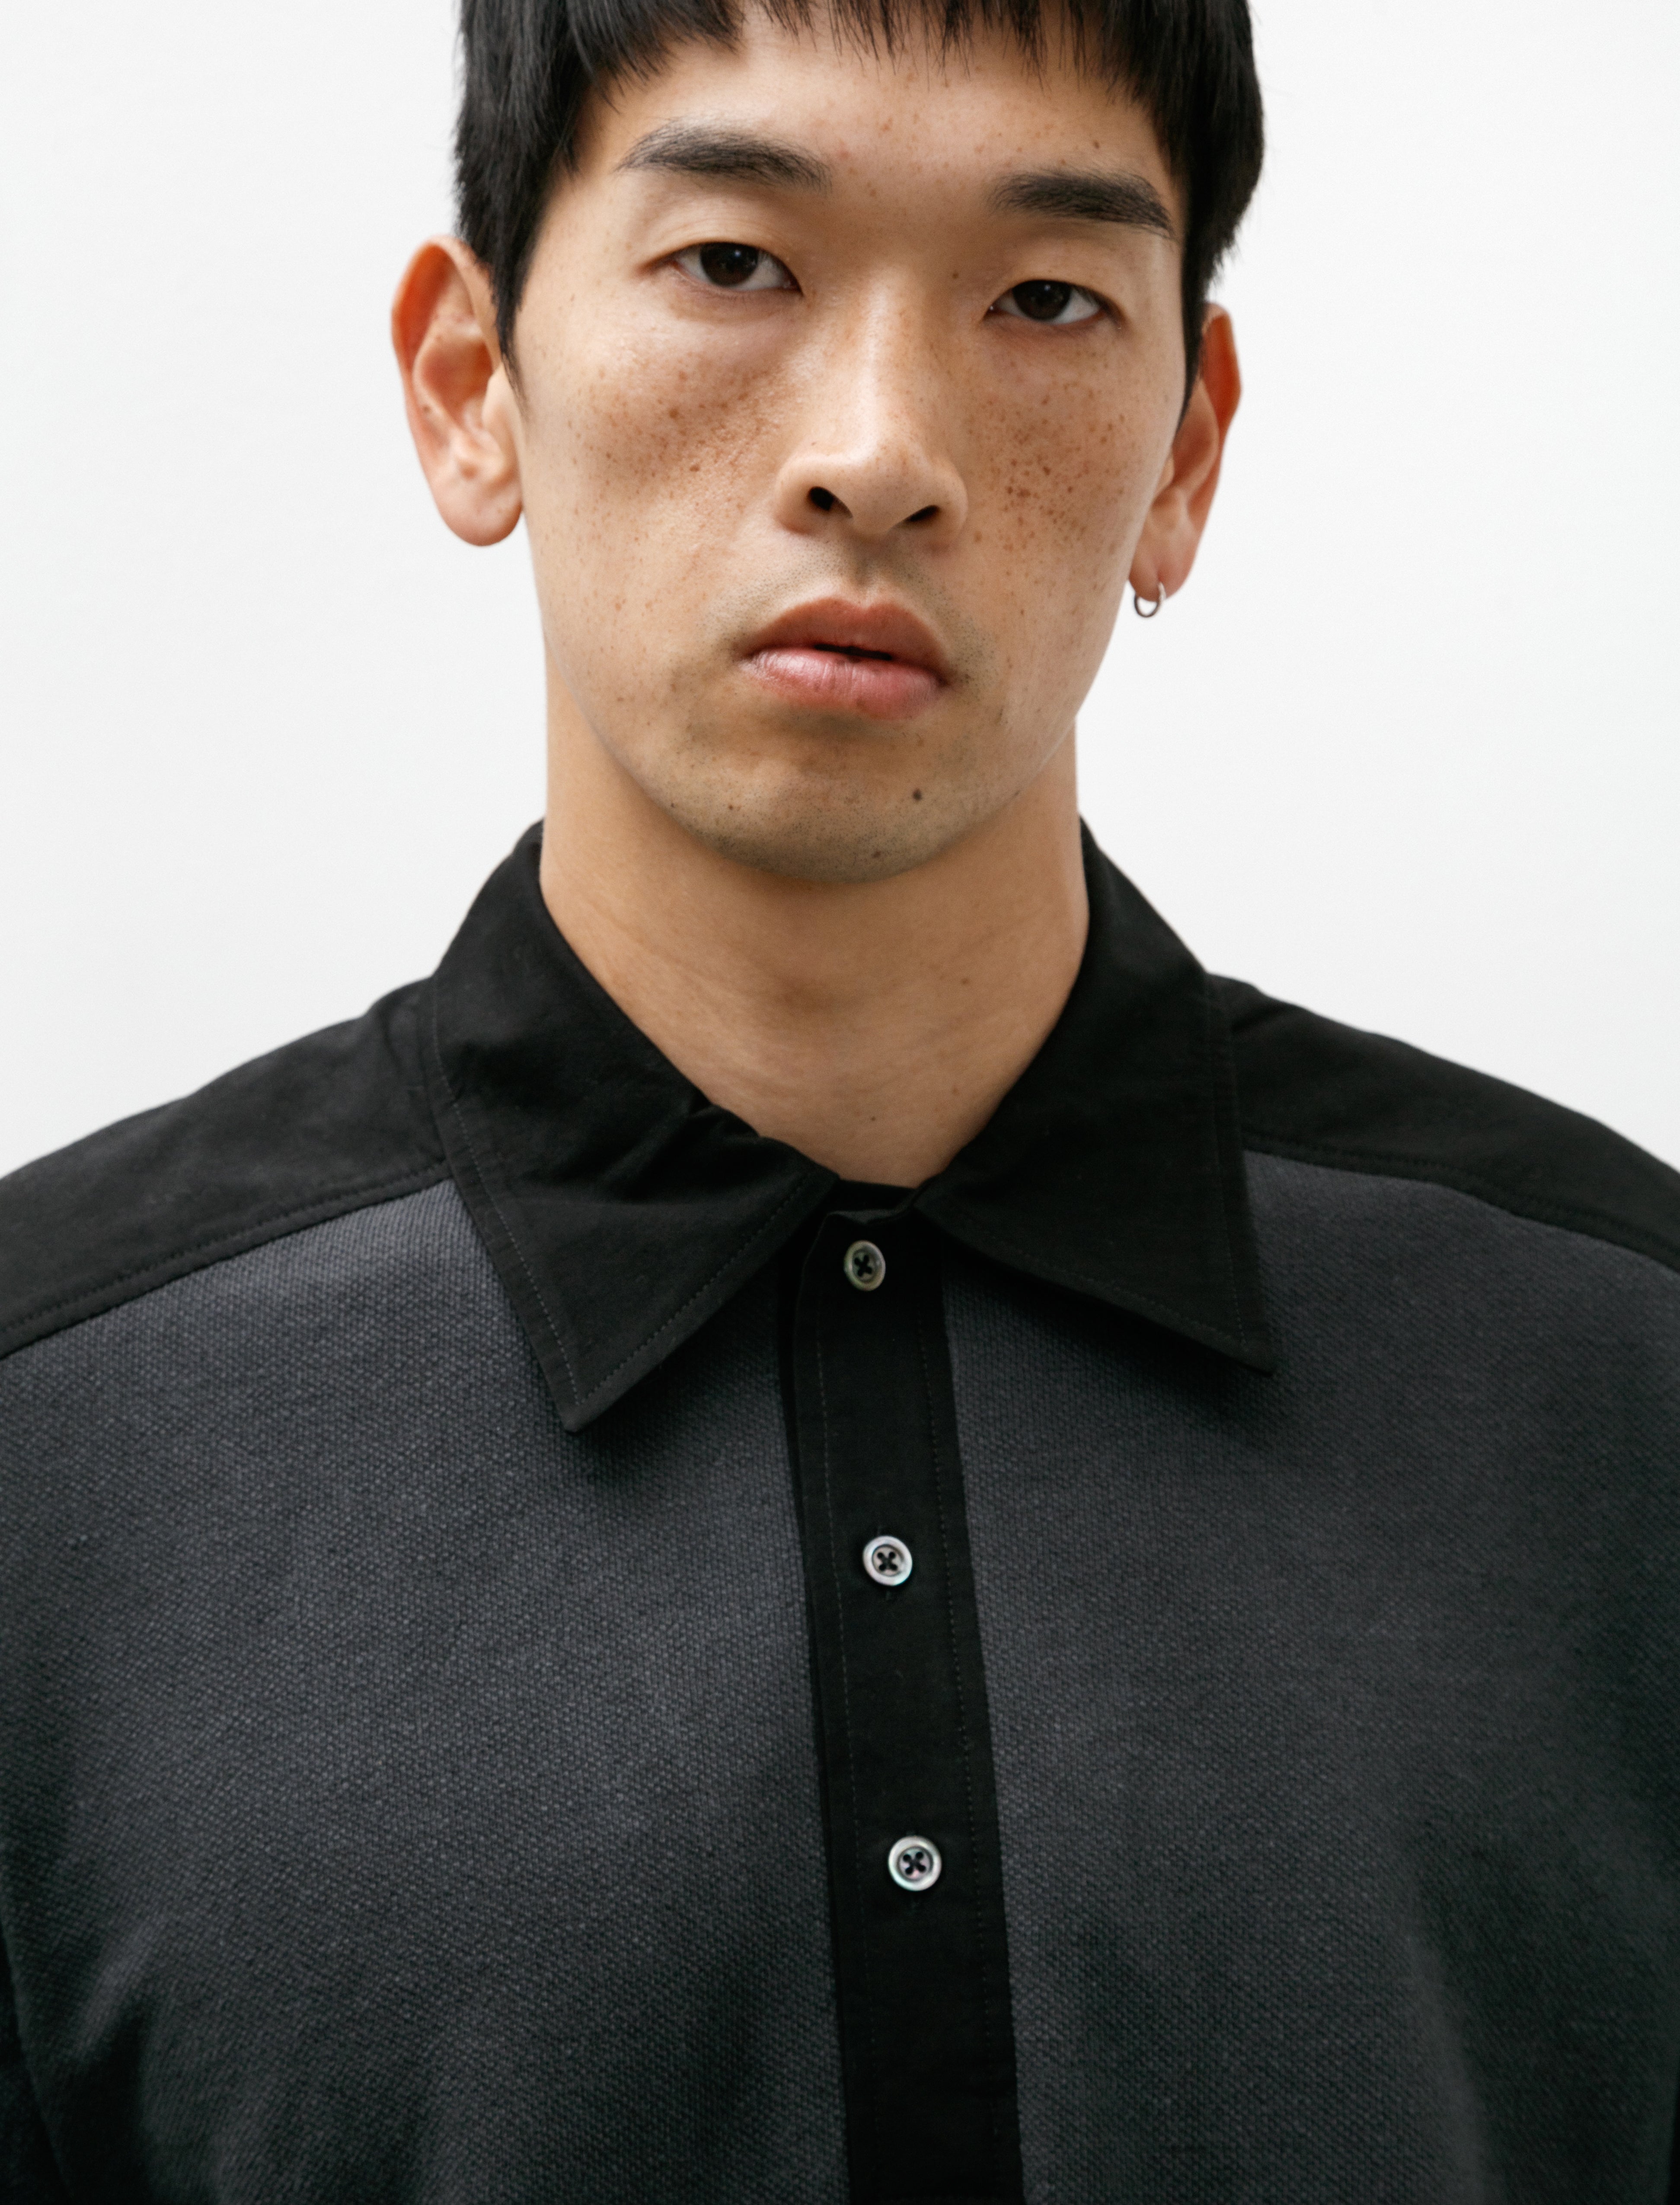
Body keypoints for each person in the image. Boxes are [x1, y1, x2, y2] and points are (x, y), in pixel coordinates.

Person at [2, 0, 1677, 2194]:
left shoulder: (1626, 1387)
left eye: (1046, 298)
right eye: (735, 263)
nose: (879, 451)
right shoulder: (49, 1443)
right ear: (472, 381)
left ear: (1187, 454)